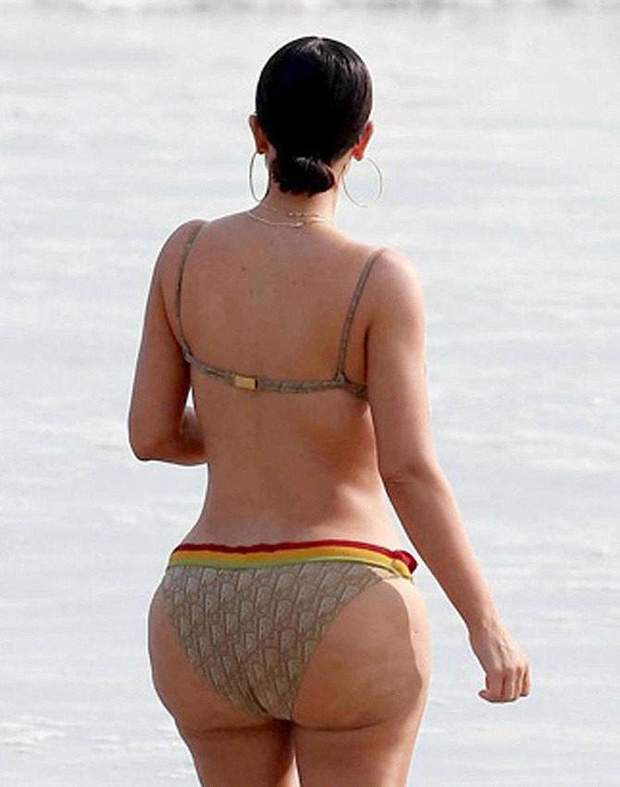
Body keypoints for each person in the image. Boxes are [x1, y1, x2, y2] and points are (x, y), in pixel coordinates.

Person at [128, 35, 530, 787]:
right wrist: (486, 623)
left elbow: (150, 435)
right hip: (345, 597)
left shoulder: (183, 255)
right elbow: (408, 470)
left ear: (258, 134)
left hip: (203, 599)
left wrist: (249, 425)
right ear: (363, 140)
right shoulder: (378, 278)